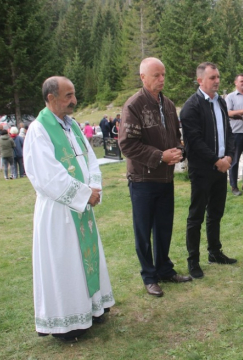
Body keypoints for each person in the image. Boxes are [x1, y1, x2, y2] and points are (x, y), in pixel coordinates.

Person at [23, 76, 114, 341]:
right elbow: (46, 176)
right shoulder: (39, 130)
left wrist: (94, 189)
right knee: (65, 263)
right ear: (50, 98)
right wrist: (84, 195)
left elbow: (90, 159)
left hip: (83, 207)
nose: (73, 101)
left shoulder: (72, 125)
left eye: (73, 94)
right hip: (59, 211)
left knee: (86, 258)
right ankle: (68, 322)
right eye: (67, 96)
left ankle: (94, 309)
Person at [119, 57, 192, 298]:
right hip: (142, 179)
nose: (161, 79)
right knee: (143, 230)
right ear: (143, 77)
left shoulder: (169, 105)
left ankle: (164, 269)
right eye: (156, 75)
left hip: (165, 179)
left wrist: (178, 151)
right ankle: (149, 276)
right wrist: (160, 156)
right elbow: (127, 145)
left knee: (163, 227)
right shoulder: (134, 106)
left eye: (163, 74)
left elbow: (175, 135)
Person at [180, 62, 237, 279]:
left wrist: (229, 156)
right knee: (196, 216)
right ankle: (193, 260)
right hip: (203, 170)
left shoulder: (220, 102)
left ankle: (214, 252)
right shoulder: (191, 107)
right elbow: (193, 142)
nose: (217, 81)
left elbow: (229, 133)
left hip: (221, 167)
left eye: (218, 77)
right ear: (200, 80)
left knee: (216, 213)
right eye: (212, 77)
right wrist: (216, 160)